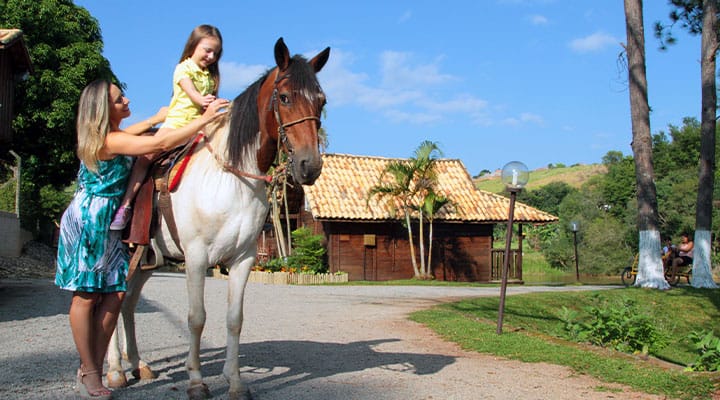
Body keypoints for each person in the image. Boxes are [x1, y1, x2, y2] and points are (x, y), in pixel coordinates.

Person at [55, 80, 228, 399]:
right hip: (91, 219)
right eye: (120, 100)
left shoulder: (119, 133)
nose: (127, 100)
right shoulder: (108, 140)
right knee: (86, 297)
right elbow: (160, 140)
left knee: (115, 293)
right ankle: (90, 370)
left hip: (110, 222)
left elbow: (148, 129)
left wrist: (160, 114)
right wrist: (205, 119)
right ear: (103, 110)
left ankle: (90, 363)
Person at [110, 24, 224, 230]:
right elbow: (191, 91)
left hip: (199, 127)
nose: (211, 56)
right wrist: (203, 101)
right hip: (176, 124)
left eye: (215, 53)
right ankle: (126, 205)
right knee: (146, 158)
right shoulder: (184, 67)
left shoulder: (208, 76)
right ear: (193, 46)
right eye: (207, 50)